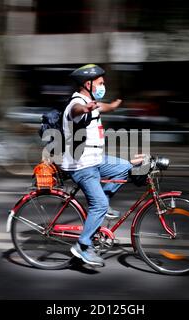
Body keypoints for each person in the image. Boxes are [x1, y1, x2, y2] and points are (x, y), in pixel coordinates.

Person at [61, 64, 132, 267]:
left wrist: (115, 105)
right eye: (100, 83)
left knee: (125, 167)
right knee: (98, 204)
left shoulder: (91, 101)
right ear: (88, 84)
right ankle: (82, 246)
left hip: (96, 159)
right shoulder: (77, 103)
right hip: (81, 165)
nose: (103, 86)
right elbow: (75, 112)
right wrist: (85, 108)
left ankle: (104, 202)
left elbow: (103, 106)